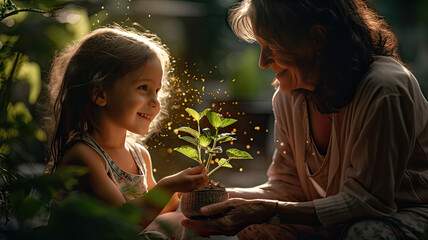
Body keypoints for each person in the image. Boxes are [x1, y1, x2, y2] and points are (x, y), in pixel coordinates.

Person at [182, 0, 428, 239]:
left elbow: (369, 202)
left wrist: (269, 211)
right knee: (249, 226)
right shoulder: (289, 97)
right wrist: (214, 198)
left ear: (317, 37)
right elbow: (288, 188)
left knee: (364, 234)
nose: (263, 62)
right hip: (340, 220)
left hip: (403, 214)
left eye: (273, 46)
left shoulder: (383, 88)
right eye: (260, 45)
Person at [45, 26, 208, 238]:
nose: (155, 102)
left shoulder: (139, 155)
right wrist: (168, 186)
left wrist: (182, 190)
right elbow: (122, 223)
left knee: (183, 222)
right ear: (100, 93)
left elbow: (159, 210)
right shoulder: (84, 155)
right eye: (143, 88)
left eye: (157, 91)